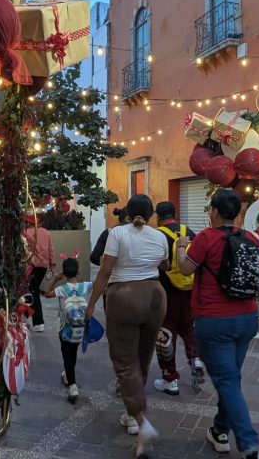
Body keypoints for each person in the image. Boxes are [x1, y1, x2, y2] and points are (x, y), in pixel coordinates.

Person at [175, 188, 259, 459]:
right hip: (246, 320)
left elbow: (186, 269)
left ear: (213, 211)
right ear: (237, 214)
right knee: (231, 378)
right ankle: (220, 431)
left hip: (214, 323)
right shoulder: (254, 239)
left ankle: (249, 445)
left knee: (227, 381)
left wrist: (179, 246)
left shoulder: (205, 238)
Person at [86, 194, 168, 457]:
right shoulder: (159, 236)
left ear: (127, 213)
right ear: (152, 214)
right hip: (155, 296)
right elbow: (164, 266)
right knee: (143, 356)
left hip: (124, 297)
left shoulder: (117, 233)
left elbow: (105, 271)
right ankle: (132, 414)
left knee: (124, 360)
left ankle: (141, 421)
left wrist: (91, 304)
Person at [152, 201, 204, 396]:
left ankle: (169, 378)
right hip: (189, 290)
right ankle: (196, 358)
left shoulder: (157, 235)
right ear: (174, 214)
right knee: (188, 328)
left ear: (158, 216)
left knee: (166, 333)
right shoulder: (189, 231)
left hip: (166, 292)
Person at [44, 256, 92, 404]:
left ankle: (72, 385)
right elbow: (102, 286)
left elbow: (47, 293)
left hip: (64, 328)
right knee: (73, 354)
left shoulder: (61, 289)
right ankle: (68, 376)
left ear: (64, 273)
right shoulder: (85, 286)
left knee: (66, 355)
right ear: (78, 271)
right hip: (79, 327)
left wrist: (56, 279)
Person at [23, 209, 55, 332]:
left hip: (30, 267)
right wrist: (52, 264)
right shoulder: (46, 233)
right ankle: (30, 319)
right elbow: (51, 249)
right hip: (43, 267)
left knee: (31, 292)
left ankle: (36, 321)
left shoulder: (26, 233)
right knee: (32, 291)